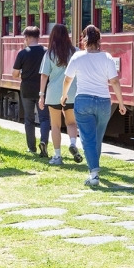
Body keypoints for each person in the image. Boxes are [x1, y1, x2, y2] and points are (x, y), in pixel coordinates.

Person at [61, 25, 127, 186]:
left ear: (83, 40)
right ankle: (95, 169)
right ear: (99, 41)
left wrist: (64, 95)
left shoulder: (77, 57)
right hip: (104, 102)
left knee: (88, 139)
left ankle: (94, 173)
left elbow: (68, 79)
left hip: (83, 101)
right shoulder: (107, 57)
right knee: (97, 138)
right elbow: (114, 81)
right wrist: (121, 103)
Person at [38, 24, 83, 166]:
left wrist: (41, 95)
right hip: (71, 93)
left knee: (55, 125)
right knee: (71, 122)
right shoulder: (75, 52)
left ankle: (57, 156)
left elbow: (44, 76)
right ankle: (72, 142)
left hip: (53, 94)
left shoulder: (50, 53)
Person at [12, 26, 51, 157]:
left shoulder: (23, 53)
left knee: (29, 119)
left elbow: (15, 74)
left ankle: (31, 147)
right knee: (44, 118)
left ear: (27, 38)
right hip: (43, 90)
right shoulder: (46, 51)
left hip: (27, 90)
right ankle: (44, 142)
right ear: (38, 37)